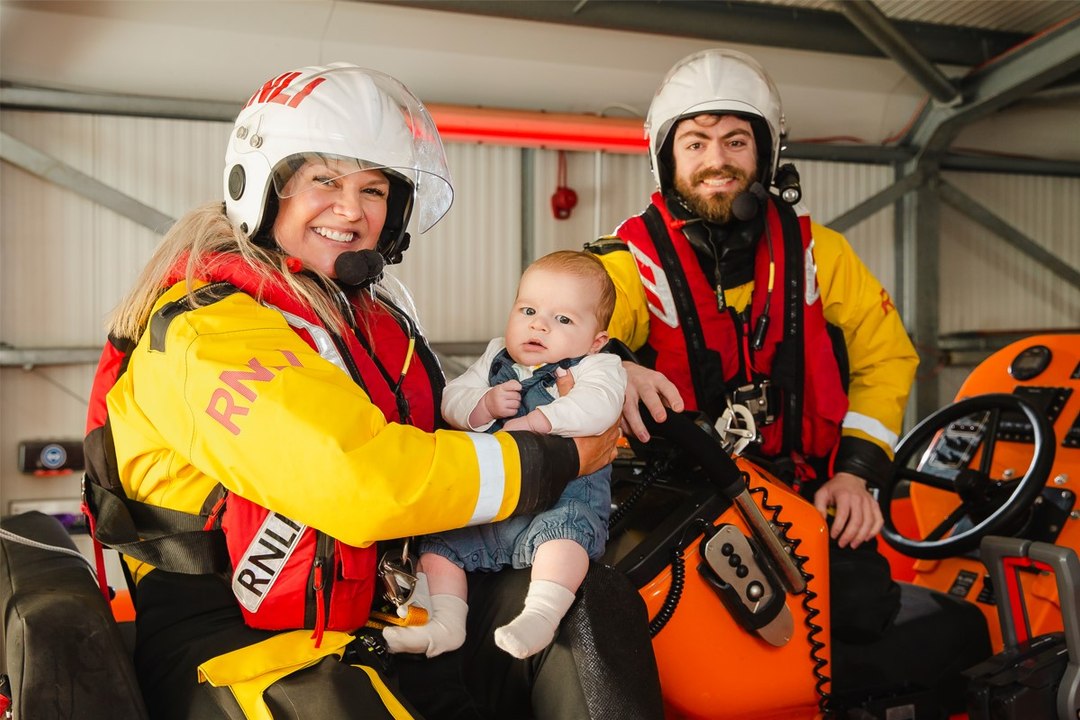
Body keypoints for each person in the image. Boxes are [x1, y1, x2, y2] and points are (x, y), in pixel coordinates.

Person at [85, 62, 663, 720]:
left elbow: (445, 433)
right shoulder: (208, 332)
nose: (352, 211)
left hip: (368, 612)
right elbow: (364, 481)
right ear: (264, 189)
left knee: (586, 608)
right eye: (324, 181)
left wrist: (603, 365)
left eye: (374, 189)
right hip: (233, 637)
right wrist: (563, 457)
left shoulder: (360, 317)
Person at [587, 49, 918, 644]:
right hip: (681, 503)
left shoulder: (823, 254)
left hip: (805, 494)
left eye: (736, 141)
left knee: (865, 613)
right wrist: (608, 362)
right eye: (695, 143)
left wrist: (856, 473)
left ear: (766, 154)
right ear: (667, 158)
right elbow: (558, 326)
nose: (717, 160)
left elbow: (886, 355)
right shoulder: (627, 262)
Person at [384, 251, 626, 661]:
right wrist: (484, 406)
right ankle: (445, 622)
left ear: (596, 339)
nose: (539, 324)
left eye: (563, 319)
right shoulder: (496, 356)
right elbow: (451, 401)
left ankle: (540, 615)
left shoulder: (598, 367)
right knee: (439, 548)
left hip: (561, 503)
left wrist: (539, 421)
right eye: (529, 310)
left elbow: (599, 407)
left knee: (566, 542)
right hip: (493, 508)